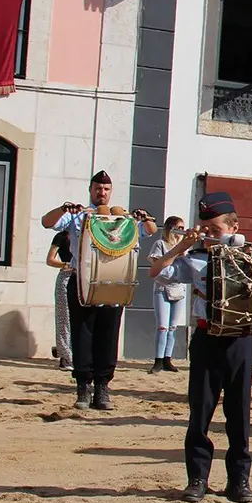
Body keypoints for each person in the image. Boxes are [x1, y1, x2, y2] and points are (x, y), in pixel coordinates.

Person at [151, 192, 252, 503]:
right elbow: (158, 272)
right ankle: (197, 478)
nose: (209, 235)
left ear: (234, 227)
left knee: (238, 413)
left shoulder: (251, 256)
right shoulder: (194, 258)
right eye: (205, 229)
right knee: (200, 410)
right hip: (206, 339)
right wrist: (182, 245)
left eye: (215, 230)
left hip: (240, 340)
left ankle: (239, 480)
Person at [41, 171, 157, 410]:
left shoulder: (122, 221)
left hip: (113, 284)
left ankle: (103, 387)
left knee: (108, 336)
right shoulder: (78, 216)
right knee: (82, 335)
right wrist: (64, 209)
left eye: (105, 189)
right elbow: (47, 222)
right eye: (97, 189)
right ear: (91, 190)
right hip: (81, 282)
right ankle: (83, 387)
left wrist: (143, 217)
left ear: (110, 191)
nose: (101, 193)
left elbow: (150, 230)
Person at [148, 216, 187, 374]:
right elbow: (157, 264)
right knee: (163, 326)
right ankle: (158, 359)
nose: (181, 231)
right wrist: (176, 254)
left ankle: (167, 359)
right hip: (163, 287)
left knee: (173, 326)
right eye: (179, 227)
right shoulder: (160, 244)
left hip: (178, 287)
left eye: (183, 228)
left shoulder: (183, 247)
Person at [47, 231, 74, 371]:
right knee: (64, 318)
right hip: (67, 275)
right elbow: (50, 259)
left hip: (85, 278)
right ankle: (65, 356)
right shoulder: (62, 236)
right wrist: (67, 264)